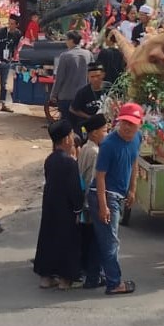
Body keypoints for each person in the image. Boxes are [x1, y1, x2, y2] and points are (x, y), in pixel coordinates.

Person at [90, 103, 143, 295]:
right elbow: (100, 176)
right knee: (111, 241)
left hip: (119, 194)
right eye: (125, 123)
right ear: (118, 122)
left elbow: (134, 161)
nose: (128, 128)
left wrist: (132, 189)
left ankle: (96, 276)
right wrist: (103, 206)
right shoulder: (108, 144)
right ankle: (114, 283)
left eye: (132, 124)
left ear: (139, 125)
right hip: (104, 195)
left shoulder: (137, 138)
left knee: (104, 239)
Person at [34, 120, 84, 291]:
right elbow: (74, 188)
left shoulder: (50, 160)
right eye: (70, 135)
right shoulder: (70, 163)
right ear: (66, 140)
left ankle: (46, 277)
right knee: (67, 241)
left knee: (48, 238)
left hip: (50, 205)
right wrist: (78, 208)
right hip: (66, 209)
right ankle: (65, 279)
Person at [78, 114, 108, 289]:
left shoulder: (85, 148)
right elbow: (93, 180)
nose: (107, 133)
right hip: (91, 202)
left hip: (84, 200)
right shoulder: (95, 152)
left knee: (87, 238)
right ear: (95, 133)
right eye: (104, 130)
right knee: (94, 240)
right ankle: (93, 274)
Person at [50, 31, 93, 123]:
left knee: (66, 123)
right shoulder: (88, 54)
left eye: (67, 39)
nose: (66, 42)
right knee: (81, 124)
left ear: (72, 41)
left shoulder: (65, 56)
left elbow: (60, 78)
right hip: (83, 96)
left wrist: (54, 94)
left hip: (67, 97)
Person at [69, 62, 107, 134]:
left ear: (103, 75)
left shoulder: (110, 88)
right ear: (88, 77)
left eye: (98, 76)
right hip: (89, 128)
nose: (95, 79)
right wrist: (89, 117)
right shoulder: (83, 92)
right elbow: (72, 109)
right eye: (92, 77)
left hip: (106, 127)